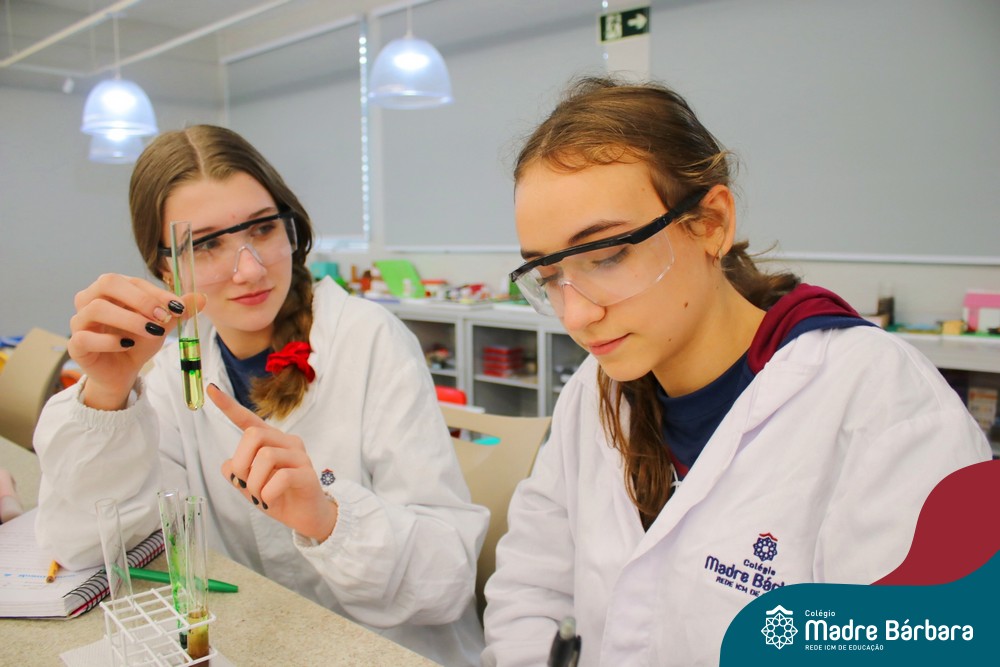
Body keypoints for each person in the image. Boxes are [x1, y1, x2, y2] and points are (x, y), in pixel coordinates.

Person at [481, 77, 992, 666]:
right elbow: (530, 590)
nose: (576, 315)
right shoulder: (592, 393)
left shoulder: (881, 402)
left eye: (608, 256)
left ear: (711, 223)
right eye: (548, 276)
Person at [33, 125, 488, 667]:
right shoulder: (174, 371)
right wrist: (108, 393)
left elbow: (446, 578)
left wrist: (328, 518)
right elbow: (84, 547)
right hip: (259, 641)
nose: (249, 269)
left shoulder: (369, 339)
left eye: (263, 228)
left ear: (291, 228)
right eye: (207, 244)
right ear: (164, 269)